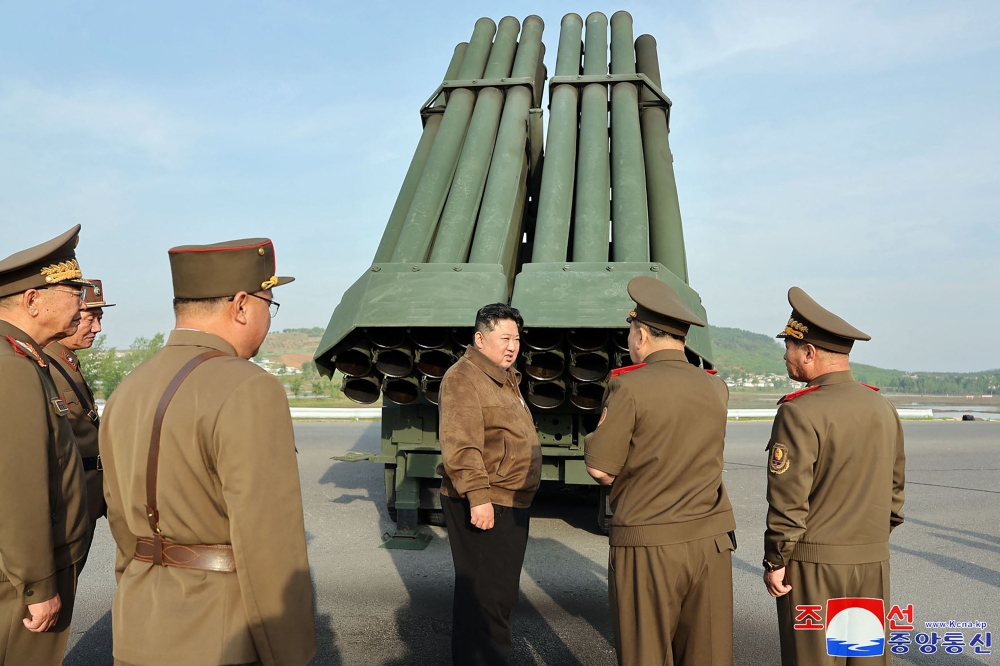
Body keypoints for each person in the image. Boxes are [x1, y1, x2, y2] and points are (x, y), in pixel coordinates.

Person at [99, 238, 316, 666]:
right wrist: (290, 652)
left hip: (138, 624)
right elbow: (269, 541)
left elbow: (121, 523)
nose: (268, 319)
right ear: (241, 305)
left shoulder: (129, 387)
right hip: (221, 634)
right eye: (269, 305)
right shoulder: (250, 386)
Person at [585, 276, 736, 666]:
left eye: (631, 332)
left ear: (642, 335)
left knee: (647, 655)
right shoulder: (716, 388)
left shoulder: (630, 387)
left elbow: (601, 469)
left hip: (649, 543)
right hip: (711, 541)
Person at [763, 286, 906, 666]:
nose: (785, 355)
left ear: (809, 352)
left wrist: (776, 560)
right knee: (864, 658)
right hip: (870, 563)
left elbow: (788, 502)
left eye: (789, 346)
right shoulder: (883, 408)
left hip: (815, 568)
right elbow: (895, 495)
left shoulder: (798, 412)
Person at [0, 225, 92, 666]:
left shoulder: (23, 358)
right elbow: (18, 486)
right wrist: (38, 585)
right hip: (17, 581)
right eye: (74, 291)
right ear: (33, 300)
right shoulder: (13, 366)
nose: (83, 303)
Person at [437, 302, 542, 666]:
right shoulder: (463, 378)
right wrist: (478, 498)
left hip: (510, 500)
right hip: (488, 502)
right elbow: (461, 444)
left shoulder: (504, 378)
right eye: (504, 338)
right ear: (480, 339)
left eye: (516, 339)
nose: (512, 346)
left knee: (498, 596)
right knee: (484, 601)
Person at [45, 279, 115, 544]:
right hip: (65, 506)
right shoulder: (45, 365)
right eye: (90, 319)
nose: (97, 328)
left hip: (85, 499)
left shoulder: (66, 362)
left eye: (100, 319)